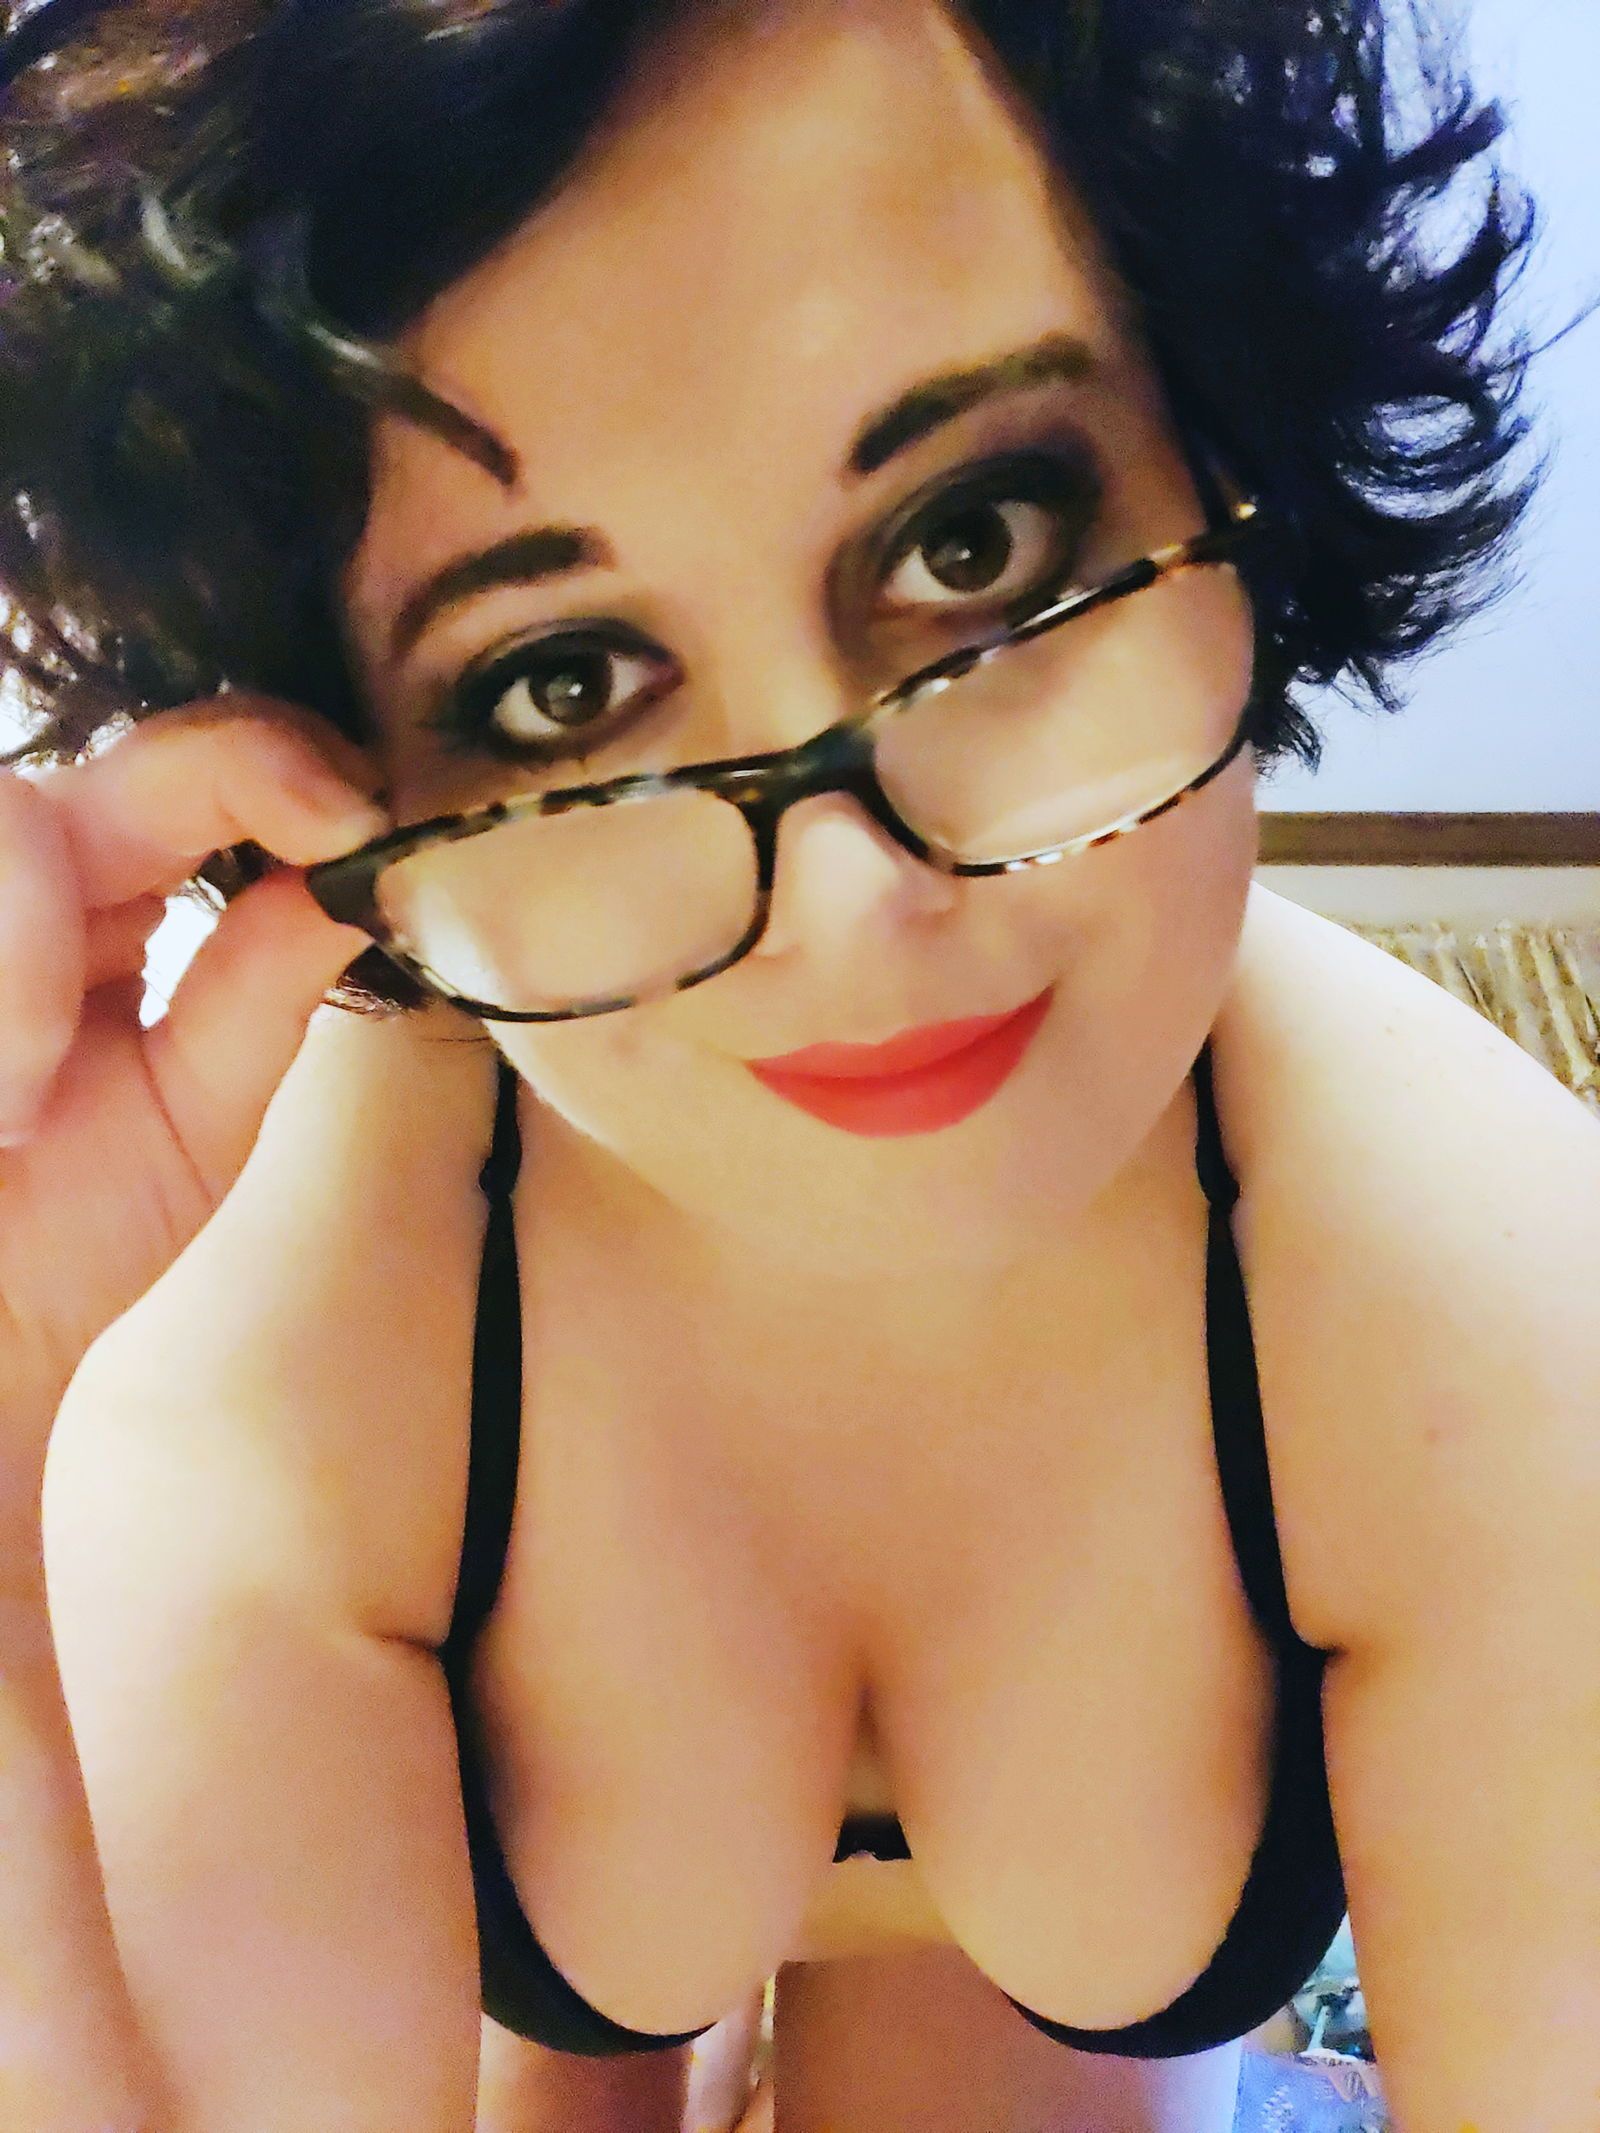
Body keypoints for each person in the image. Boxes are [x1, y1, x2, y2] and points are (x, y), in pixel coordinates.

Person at [1, 0, 1596, 2128]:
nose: (853, 911)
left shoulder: (1486, 1295)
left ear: (1225, 453)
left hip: (1114, 1841)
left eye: (971, 546)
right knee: (585, 2048)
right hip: (485, 1591)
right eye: (563, 681)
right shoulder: (289, 1350)